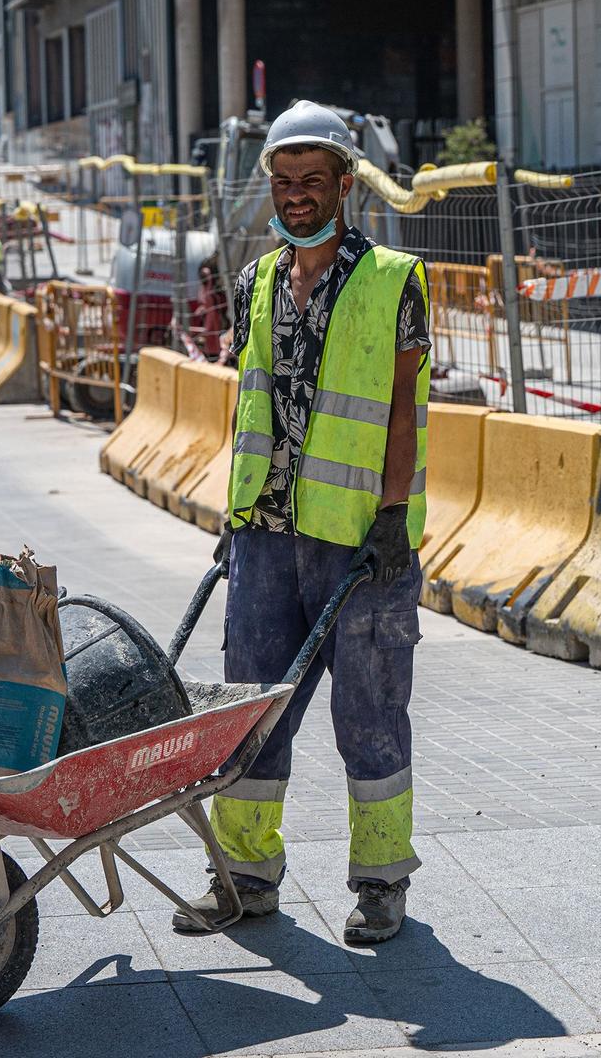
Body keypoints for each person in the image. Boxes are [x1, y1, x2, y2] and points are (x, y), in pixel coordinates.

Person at [176, 100, 431, 946]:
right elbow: (251, 408)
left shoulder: (394, 279)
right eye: (283, 183)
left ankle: (381, 883)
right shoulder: (254, 281)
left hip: (362, 545)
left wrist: (393, 514)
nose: (294, 196)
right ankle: (244, 876)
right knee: (247, 713)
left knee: (370, 712)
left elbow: (400, 412)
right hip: (264, 539)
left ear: (345, 184)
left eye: (311, 182)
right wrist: (236, 512)